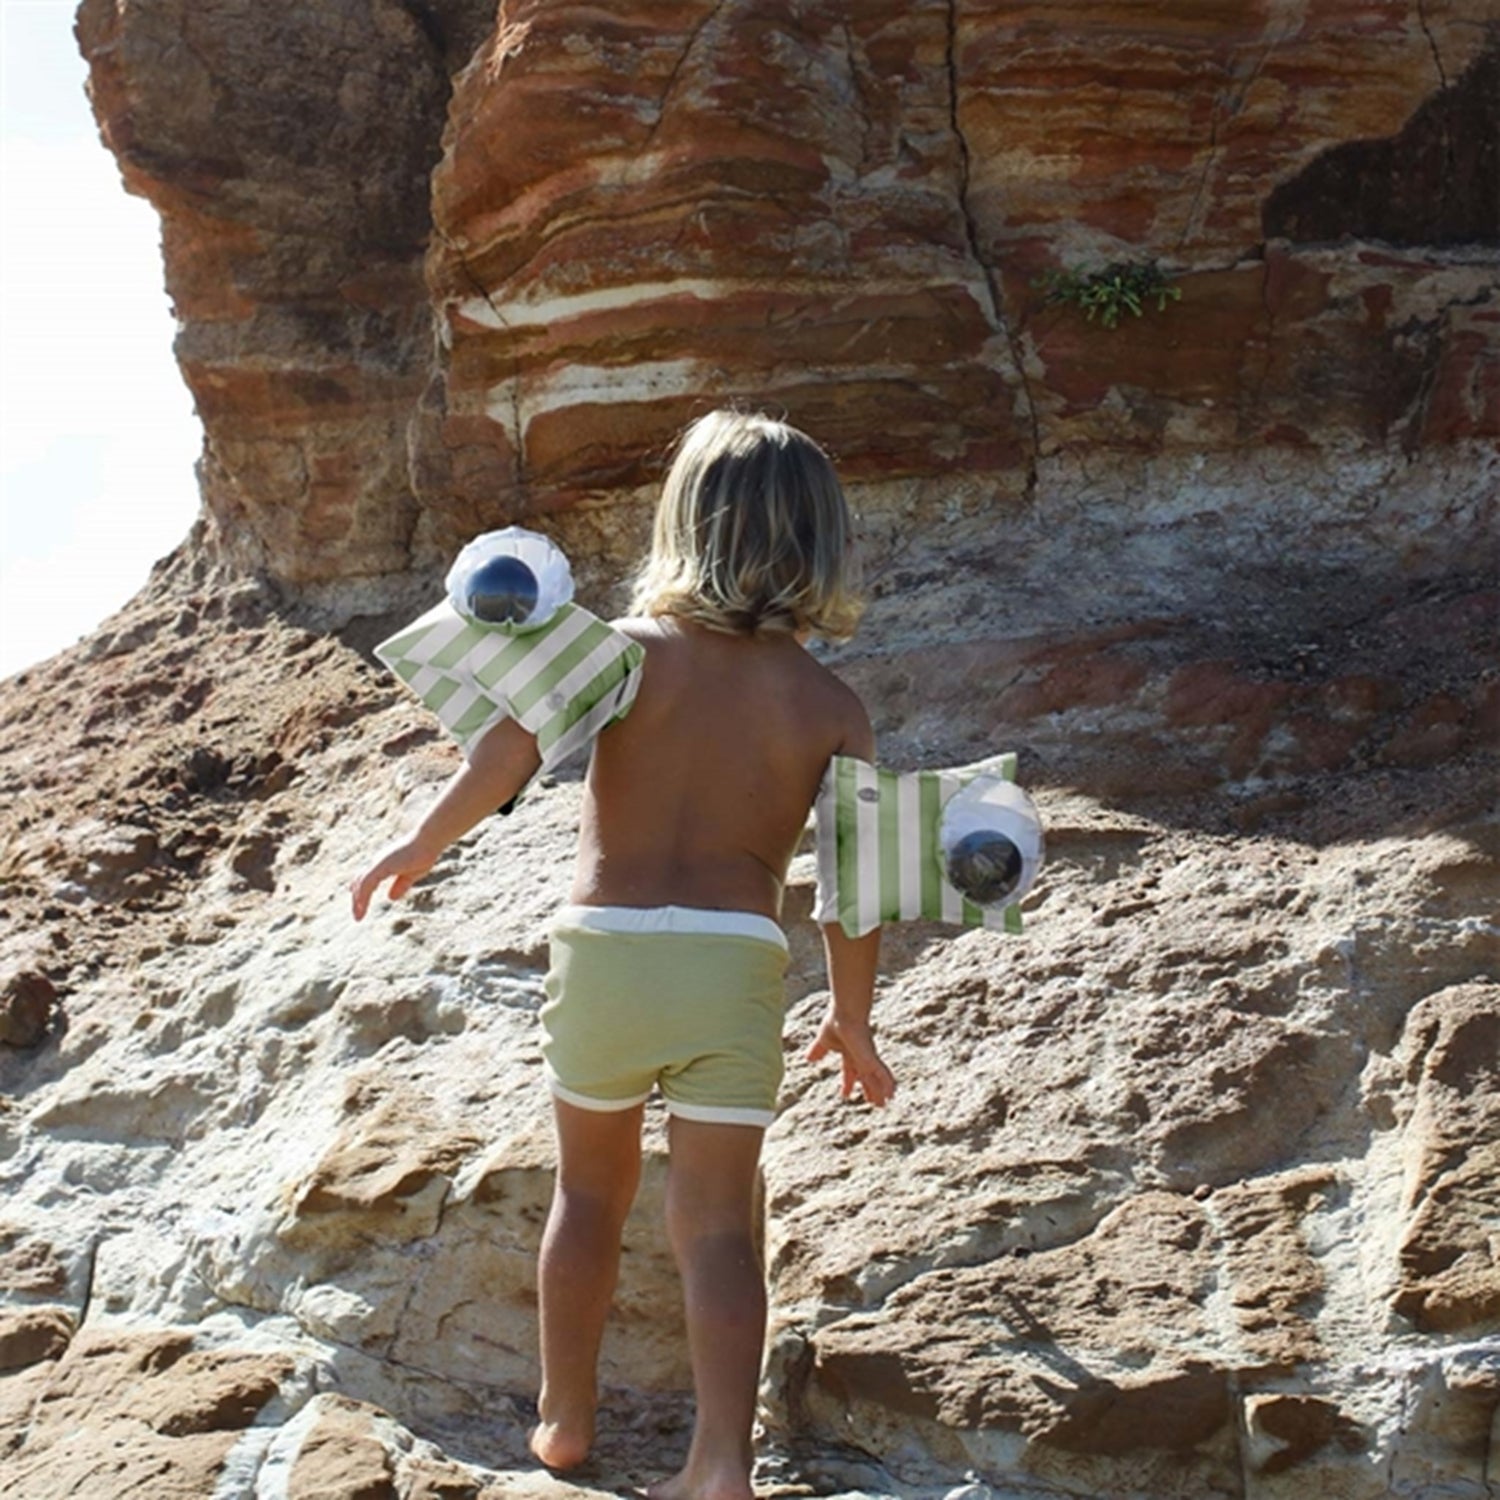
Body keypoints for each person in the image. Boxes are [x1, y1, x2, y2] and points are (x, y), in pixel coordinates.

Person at [350, 409, 896, 1500]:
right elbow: (855, 886)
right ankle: (721, 1463)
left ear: (682, 525)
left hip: (605, 951)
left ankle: (563, 1421)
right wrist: (852, 1017)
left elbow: (506, 753)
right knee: (717, 1227)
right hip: (732, 962)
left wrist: (420, 842)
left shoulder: (621, 653)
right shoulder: (835, 708)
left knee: (589, 1197)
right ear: (821, 545)